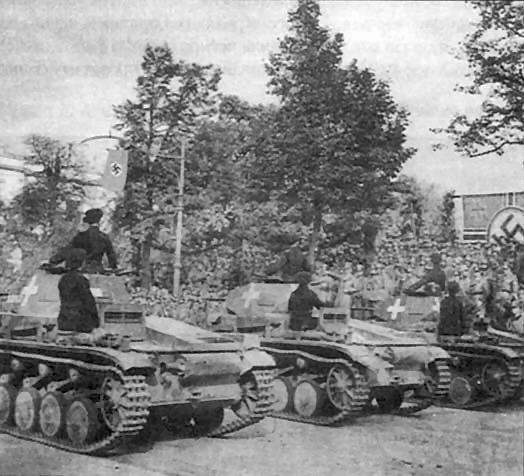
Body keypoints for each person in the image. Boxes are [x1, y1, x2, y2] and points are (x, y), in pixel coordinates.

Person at [50, 208, 117, 273]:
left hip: (82, 269)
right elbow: (111, 256)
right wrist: (114, 267)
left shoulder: (82, 235)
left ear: (87, 220)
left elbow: (68, 249)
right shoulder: (104, 237)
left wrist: (54, 261)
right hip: (97, 269)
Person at [57, 248, 100, 333]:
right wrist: (95, 321)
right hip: (81, 322)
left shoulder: (63, 279)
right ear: (81, 262)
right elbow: (88, 302)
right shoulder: (81, 280)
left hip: (64, 320)